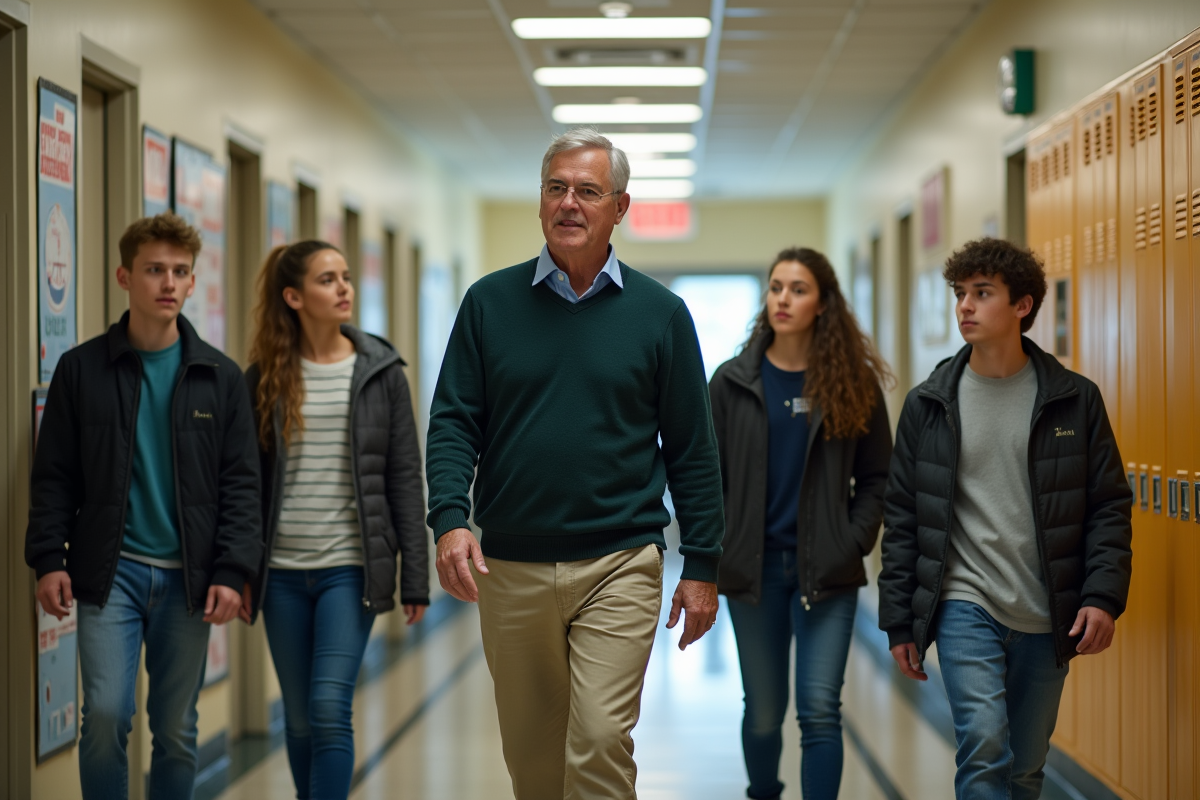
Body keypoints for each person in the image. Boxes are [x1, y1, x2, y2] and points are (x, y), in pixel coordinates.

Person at [425, 127, 724, 800]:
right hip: (511, 564)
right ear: (539, 202)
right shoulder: (489, 304)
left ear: (620, 207)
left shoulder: (660, 314)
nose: (569, 203)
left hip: (620, 559)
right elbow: (452, 423)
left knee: (597, 744)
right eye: (556, 188)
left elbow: (691, 448)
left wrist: (703, 563)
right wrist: (450, 518)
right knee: (534, 764)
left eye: (588, 191)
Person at [878, 238, 1133, 800]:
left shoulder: (1075, 400)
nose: (965, 306)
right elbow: (904, 517)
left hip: (1048, 609)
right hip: (965, 602)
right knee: (985, 744)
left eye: (982, 294)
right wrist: (900, 620)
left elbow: (1108, 505)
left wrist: (1103, 595)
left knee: (1024, 767)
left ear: (1022, 305)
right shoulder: (929, 403)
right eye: (960, 294)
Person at [25, 213, 261, 800]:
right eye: (155, 270)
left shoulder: (220, 377)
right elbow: (53, 474)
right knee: (105, 715)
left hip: (191, 578)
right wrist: (48, 558)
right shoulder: (81, 369)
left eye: (181, 271)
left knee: (177, 729)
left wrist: (234, 570)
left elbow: (241, 485)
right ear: (124, 276)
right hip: (113, 574)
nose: (169, 283)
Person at [244, 240, 429, 800]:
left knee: (328, 706)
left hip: (350, 568)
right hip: (280, 573)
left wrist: (415, 576)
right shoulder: (263, 379)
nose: (344, 288)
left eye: (346, 277)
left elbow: (403, 477)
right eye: (328, 280)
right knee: (299, 720)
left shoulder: (381, 373)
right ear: (294, 296)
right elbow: (245, 484)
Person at [709, 247, 893, 800]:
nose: (783, 299)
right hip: (753, 574)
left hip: (826, 572)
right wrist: (718, 548)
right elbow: (705, 478)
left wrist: (851, 540)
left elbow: (879, 479)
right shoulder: (731, 383)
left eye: (798, 289)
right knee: (764, 713)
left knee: (819, 710)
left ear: (823, 304)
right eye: (775, 287)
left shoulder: (852, 384)